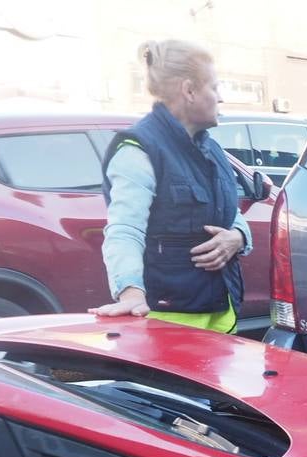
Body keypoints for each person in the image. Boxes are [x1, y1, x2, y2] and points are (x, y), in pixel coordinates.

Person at [92, 39, 251, 333]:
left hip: (220, 324)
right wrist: (130, 292)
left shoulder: (211, 150)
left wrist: (238, 237)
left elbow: (232, 214)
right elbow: (124, 229)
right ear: (189, 90)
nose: (221, 98)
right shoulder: (138, 150)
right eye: (214, 88)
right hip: (168, 333)